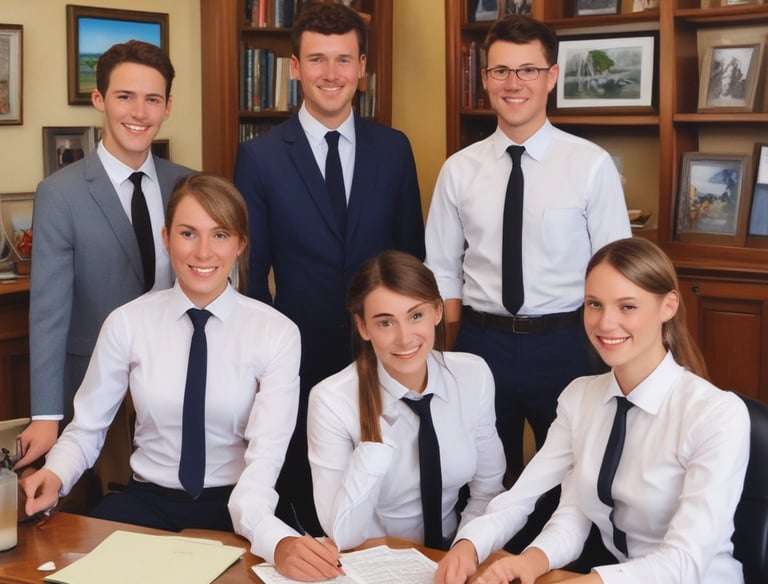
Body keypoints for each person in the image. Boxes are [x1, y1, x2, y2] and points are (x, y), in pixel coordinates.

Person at [20, 173, 344, 581]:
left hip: (239, 505)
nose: (203, 252)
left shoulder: (276, 333)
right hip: (144, 505)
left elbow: (265, 460)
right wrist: (55, 475)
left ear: (241, 243)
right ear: (166, 237)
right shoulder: (127, 323)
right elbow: (87, 430)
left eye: (220, 235)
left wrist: (273, 536)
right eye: (188, 233)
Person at [435, 238, 750, 584]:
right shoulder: (580, 398)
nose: (605, 323)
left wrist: (590, 582)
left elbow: (685, 560)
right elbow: (553, 508)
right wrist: (477, 546)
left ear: (668, 306)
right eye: (594, 304)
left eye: (627, 306)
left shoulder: (717, 415)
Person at [234, 2, 425, 534]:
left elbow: (411, 257)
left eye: (344, 60)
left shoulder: (394, 149)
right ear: (295, 67)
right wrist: (263, 358)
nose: (331, 74)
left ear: (362, 68)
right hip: (298, 351)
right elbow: (253, 274)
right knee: (305, 486)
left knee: (388, 479)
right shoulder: (260, 157)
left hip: (386, 348)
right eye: (317, 60)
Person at [424, 14, 631, 487]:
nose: (513, 83)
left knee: (573, 478)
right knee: (481, 478)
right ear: (484, 80)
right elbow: (441, 269)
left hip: (566, 343)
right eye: (500, 71)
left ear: (551, 76)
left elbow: (619, 270)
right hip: (480, 342)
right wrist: (452, 351)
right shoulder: (459, 170)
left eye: (528, 70)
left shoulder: (590, 166)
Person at [17, 40, 193, 469]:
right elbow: (48, 314)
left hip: (179, 379)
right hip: (93, 383)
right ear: (99, 100)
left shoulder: (187, 185)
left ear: (167, 106)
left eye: (152, 99)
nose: (139, 112)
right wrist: (45, 415)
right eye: (124, 97)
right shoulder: (60, 193)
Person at [307, 250, 505, 551]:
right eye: (385, 323)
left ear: (437, 312)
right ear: (363, 328)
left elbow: (488, 489)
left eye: (416, 316)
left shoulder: (472, 375)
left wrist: (465, 549)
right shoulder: (331, 400)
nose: (405, 338)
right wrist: (375, 447)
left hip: (456, 550)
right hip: (374, 560)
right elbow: (342, 533)